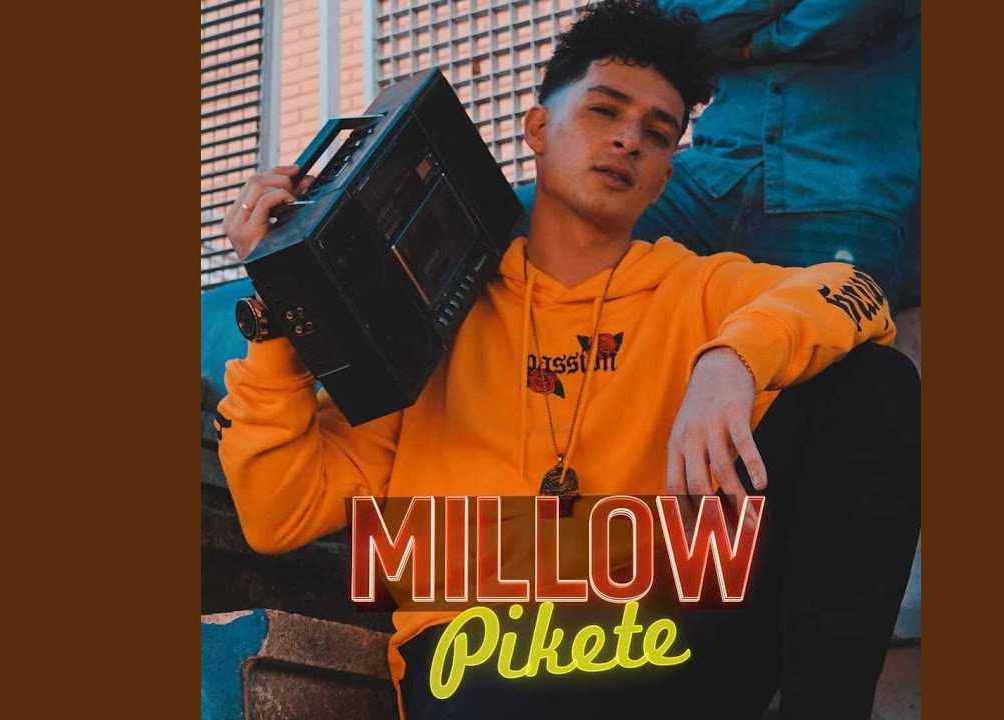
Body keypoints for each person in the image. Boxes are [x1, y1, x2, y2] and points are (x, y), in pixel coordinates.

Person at [215, 2, 919, 718]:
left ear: (667, 174)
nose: (628, 140)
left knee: (872, 383)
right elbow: (278, 514)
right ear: (537, 130)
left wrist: (731, 360)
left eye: (658, 133)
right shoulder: (435, 322)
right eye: (604, 110)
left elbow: (853, 291)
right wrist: (279, 308)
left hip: (657, 637)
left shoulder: (697, 288)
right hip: (482, 654)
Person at [515, 0, 921, 310]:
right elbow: (675, 21)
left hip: (838, 192)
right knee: (508, 217)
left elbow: (846, 13)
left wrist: (750, 45)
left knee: (826, 364)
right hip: (712, 179)